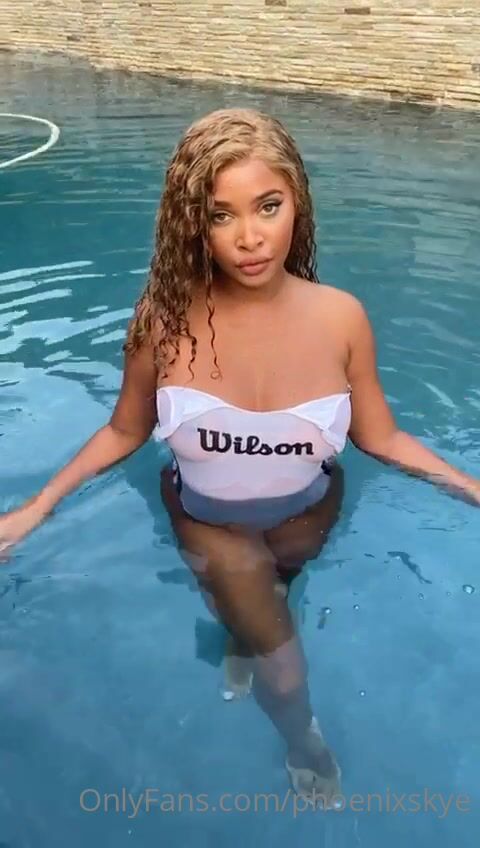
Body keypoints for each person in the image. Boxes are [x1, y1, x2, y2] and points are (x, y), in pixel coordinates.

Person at [1, 108, 478, 809]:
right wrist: (37, 508)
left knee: (265, 605)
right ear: (193, 223)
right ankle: (303, 739)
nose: (250, 238)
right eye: (221, 215)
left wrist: (472, 488)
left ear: (298, 204)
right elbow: (125, 431)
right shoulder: (162, 320)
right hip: (210, 524)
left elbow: (380, 438)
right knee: (283, 667)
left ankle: (243, 628)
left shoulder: (342, 317)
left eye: (268, 206)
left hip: (309, 518)